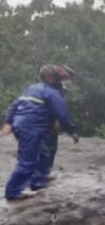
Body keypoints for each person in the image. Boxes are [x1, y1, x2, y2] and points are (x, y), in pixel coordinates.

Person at [2, 65, 78, 203]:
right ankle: (13, 192)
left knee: (43, 153)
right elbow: (62, 114)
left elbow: (15, 104)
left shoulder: (32, 88)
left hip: (25, 125)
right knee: (28, 161)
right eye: (59, 78)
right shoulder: (51, 93)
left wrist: (9, 122)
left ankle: (38, 182)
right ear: (51, 78)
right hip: (31, 128)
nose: (62, 81)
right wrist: (72, 131)